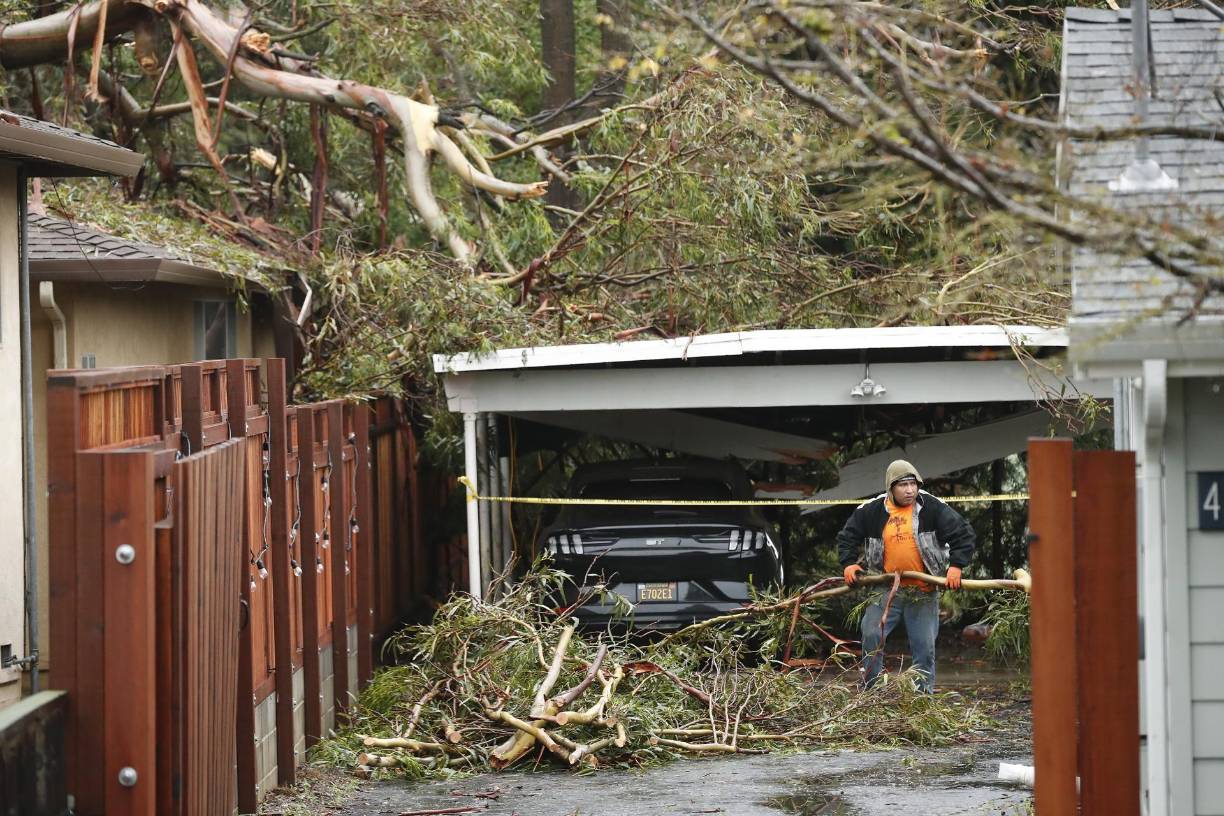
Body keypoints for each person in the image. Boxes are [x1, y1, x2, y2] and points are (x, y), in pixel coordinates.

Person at [835, 459, 975, 693]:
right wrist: (848, 564)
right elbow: (847, 536)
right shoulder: (872, 509)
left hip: (923, 590)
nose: (910, 490)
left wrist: (956, 566)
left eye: (913, 484)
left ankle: (922, 698)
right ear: (890, 487)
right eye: (903, 485)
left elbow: (963, 533)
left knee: (924, 647)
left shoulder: (932, 506)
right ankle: (871, 692)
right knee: (871, 634)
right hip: (885, 588)